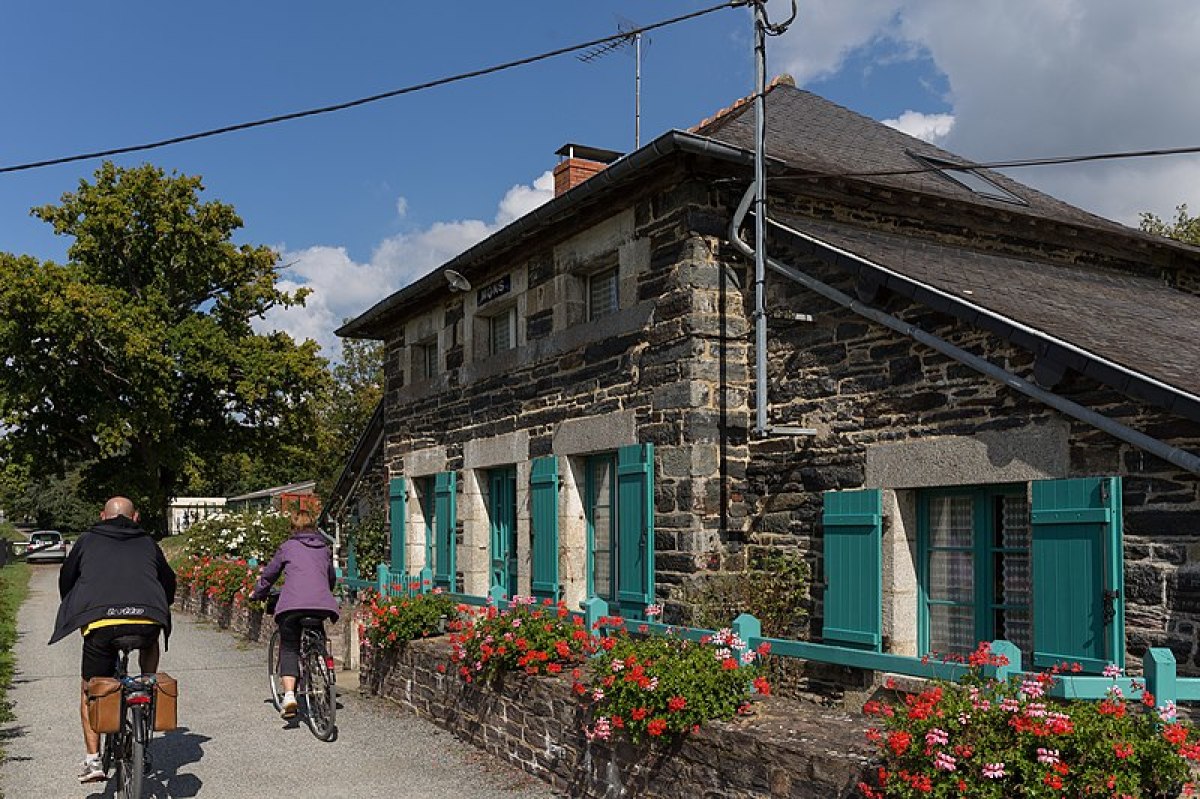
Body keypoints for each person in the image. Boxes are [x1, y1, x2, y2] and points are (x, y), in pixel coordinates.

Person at [50, 496, 176, 784]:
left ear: (102, 516)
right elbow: (168, 581)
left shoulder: (87, 540)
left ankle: (93, 760)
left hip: (102, 623)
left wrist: (74, 605)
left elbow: (67, 577)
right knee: (150, 640)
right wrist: (160, 606)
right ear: (136, 517)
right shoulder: (148, 542)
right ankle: (148, 681)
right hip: (146, 619)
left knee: (90, 690)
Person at [250, 509, 338, 719]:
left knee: (289, 647)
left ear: (293, 528)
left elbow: (270, 574)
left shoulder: (287, 547)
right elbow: (330, 578)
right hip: (320, 605)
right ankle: (322, 666)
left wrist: (258, 592)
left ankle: (289, 695)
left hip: (292, 606)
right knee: (317, 634)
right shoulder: (325, 549)